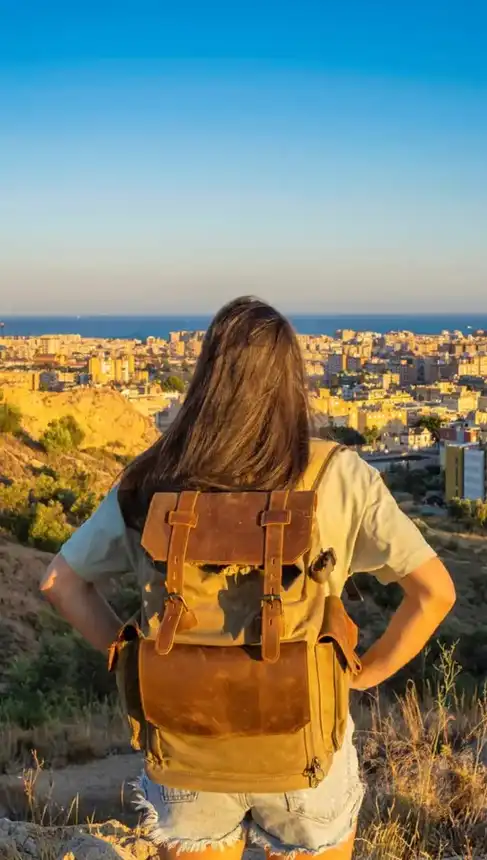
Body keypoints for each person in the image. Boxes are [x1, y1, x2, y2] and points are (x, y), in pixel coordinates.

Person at [40, 296, 456, 860]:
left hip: (188, 744)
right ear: (291, 381)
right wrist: (361, 675)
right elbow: (435, 593)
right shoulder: (337, 473)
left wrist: (132, 658)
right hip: (305, 740)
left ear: (206, 377)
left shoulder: (150, 478)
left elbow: (59, 584)